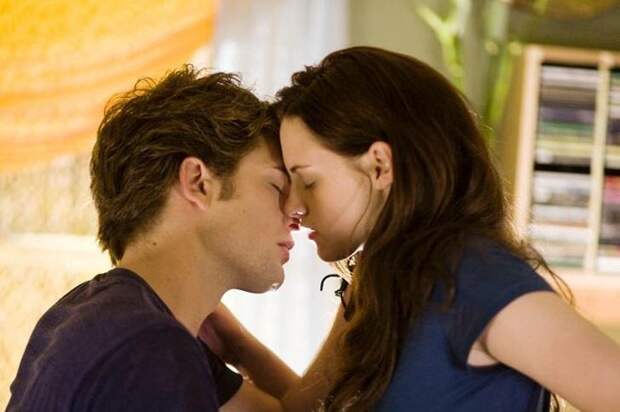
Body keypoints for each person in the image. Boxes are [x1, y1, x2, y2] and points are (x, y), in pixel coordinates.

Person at [203, 46, 620, 412]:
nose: (292, 205)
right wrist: (235, 345)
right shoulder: (378, 282)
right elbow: (301, 409)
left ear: (380, 166)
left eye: (308, 181)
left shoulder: (476, 280)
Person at [6, 66, 302, 411]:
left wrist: (239, 348)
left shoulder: (89, 316)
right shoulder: (149, 349)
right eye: (276, 187)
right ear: (198, 183)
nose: (296, 211)